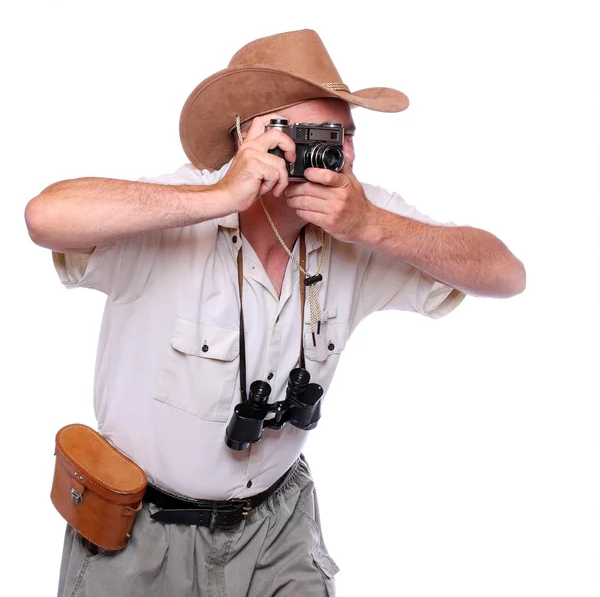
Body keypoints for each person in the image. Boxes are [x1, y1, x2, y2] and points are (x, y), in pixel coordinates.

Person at [25, 29, 525, 597]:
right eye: (308, 133)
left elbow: (506, 275)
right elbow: (46, 216)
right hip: (143, 531)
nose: (331, 151)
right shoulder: (176, 206)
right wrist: (221, 197)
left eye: (344, 135)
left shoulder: (358, 214)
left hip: (277, 523)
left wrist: (372, 227)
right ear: (248, 135)